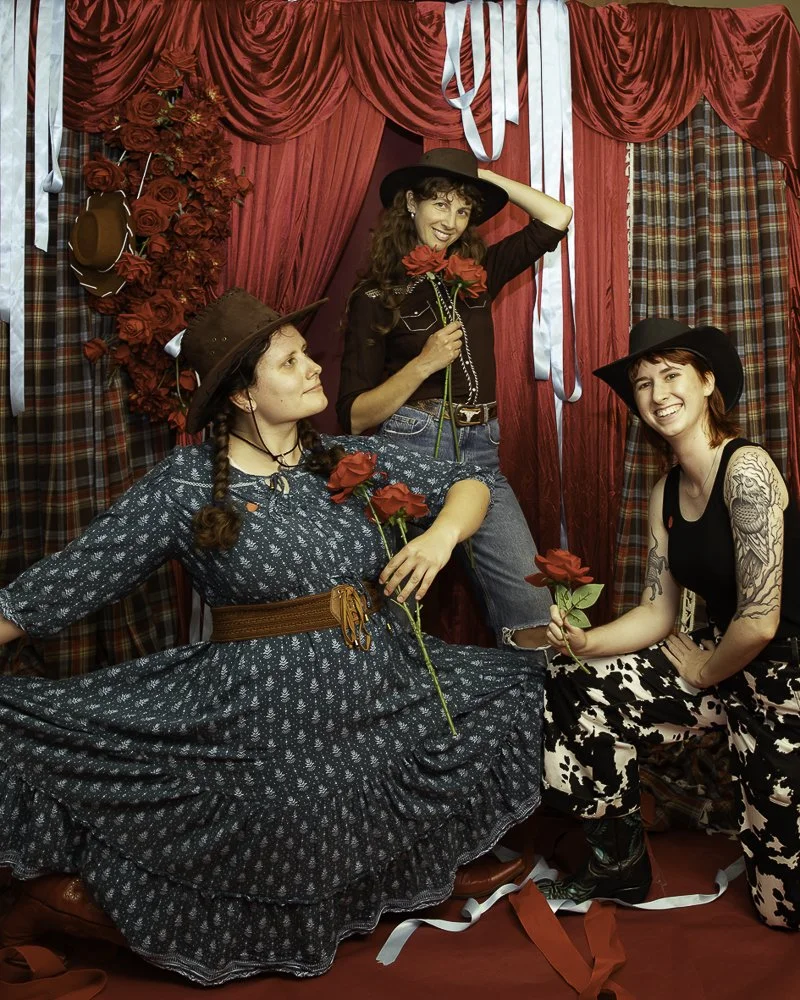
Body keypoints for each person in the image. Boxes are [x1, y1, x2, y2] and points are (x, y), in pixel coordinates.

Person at [0, 289, 547, 985]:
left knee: (521, 681)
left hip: (387, 680)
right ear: (243, 395)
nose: (313, 367)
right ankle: (75, 903)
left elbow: (470, 482)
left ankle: (432, 861)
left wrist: (440, 537)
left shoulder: (345, 458)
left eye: (306, 354)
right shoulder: (186, 485)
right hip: (262, 708)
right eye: (290, 362)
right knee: (287, 815)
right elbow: (67, 581)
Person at [539, 318, 799, 932]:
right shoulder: (665, 492)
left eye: (671, 375)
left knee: (782, 912)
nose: (658, 395)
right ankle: (617, 863)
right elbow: (658, 612)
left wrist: (705, 671)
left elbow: (760, 621)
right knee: (578, 677)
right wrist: (586, 642)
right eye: (643, 383)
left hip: (787, 676)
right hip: (726, 663)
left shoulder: (747, 469)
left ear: (707, 382)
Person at [336, 147, 573, 651]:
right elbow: (353, 416)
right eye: (440, 203)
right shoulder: (375, 297)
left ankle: (528, 699)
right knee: (390, 617)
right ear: (411, 204)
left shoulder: (476, 276)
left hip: (483, 451)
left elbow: (556, 217)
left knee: (534, 617)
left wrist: (478, 178)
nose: (451, 221)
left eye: (463, 209)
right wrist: (422, 364)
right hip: (412, 451)